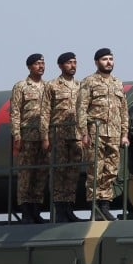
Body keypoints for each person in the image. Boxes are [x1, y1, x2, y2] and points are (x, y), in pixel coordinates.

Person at [76, 48, 130, 221]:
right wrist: (84, 133)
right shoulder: (89, 82)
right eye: (105, 59)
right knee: (95, 171)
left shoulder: (117, 83)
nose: (109, 62)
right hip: (95, 133)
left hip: (114, 134)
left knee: (111, 170)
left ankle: (105, 205)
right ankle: (95, 208)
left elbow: (124, 111)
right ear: (97, 62)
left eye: (111, 59)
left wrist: (124, 133)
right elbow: (81, 109)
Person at [40, 52, 83, 223]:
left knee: (73, 172)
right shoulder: (52, 86)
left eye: (74, 62)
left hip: (76, 135)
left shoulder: (81, 86)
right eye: (69, 63)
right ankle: (59, 210)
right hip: (58, 135)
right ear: (60, 66)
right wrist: (44, 137)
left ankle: (69, 208)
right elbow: (44, 113)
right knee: (58, 172)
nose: (72, 65)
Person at [9, 53, 47, 224]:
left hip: (43, 137)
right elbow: (15, 113)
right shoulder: (21, 87)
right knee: (26, 175)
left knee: (40, 174)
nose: (41, 66)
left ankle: (36, 210)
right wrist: (17, 136)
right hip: (27, 137)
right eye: (38, 63)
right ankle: (26, 212)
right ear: (30, 67)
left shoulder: (48, 87)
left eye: (43, 63)